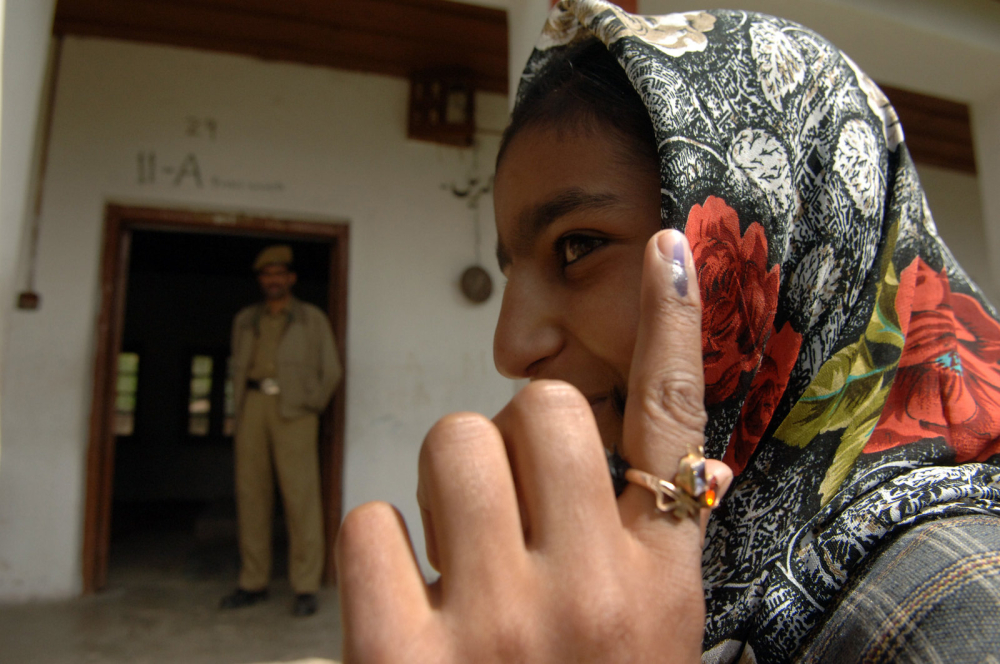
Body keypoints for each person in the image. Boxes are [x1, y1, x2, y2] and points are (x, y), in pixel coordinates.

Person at [337, 2, 1000, 661]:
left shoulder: (951, 601)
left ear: (781, 245)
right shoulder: (709, 542)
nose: (509, 347)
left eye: (578, 247)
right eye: (512, 272)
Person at [220, 244, 342, 617]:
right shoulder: (245, 319)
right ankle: (252, 582)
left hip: (295, 413)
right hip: (253, 408)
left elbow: (331, 370)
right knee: (251, 495)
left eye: (279, 274)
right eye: (266, 275)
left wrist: (311, 404)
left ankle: (305, 587)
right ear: (261, 281)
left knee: (300, 498)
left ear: (291, 278)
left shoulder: (310, 318)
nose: (272, 281)